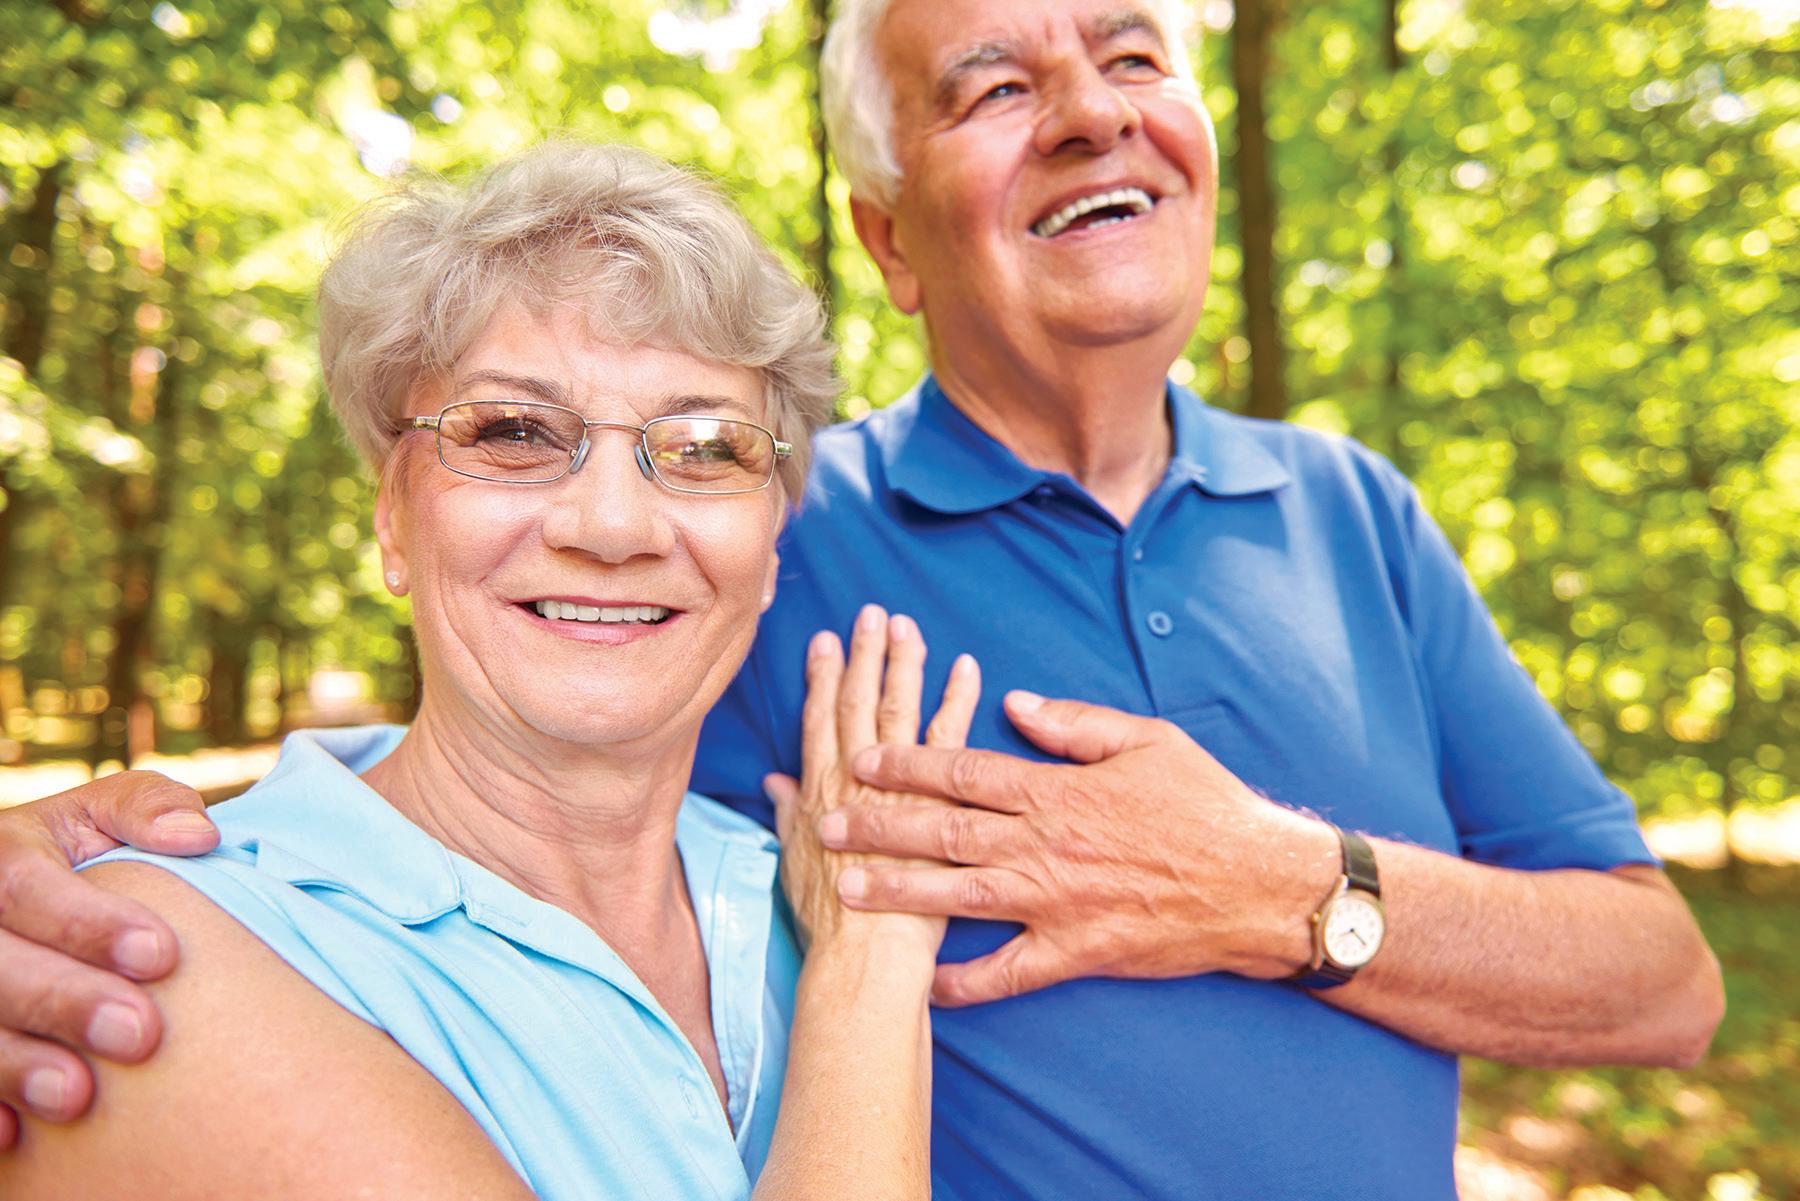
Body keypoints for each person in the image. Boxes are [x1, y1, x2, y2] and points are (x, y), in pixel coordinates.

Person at [0, 1, 1726, 1198]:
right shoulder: (777, 529)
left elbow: (1664, 986)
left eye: (1135, 55)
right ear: (889, 239)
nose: (1093, 110)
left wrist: (1276, 887)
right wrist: (92, 865)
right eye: (992, 86)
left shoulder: (1358, 515)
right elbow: (504, 774)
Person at [0, 140, 977, 1200]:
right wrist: (873, 958)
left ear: (773, 541)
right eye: (515, 432)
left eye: (703, 446)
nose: (613, 525)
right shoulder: (149, 951)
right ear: (392, 517)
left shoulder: (791, 877)